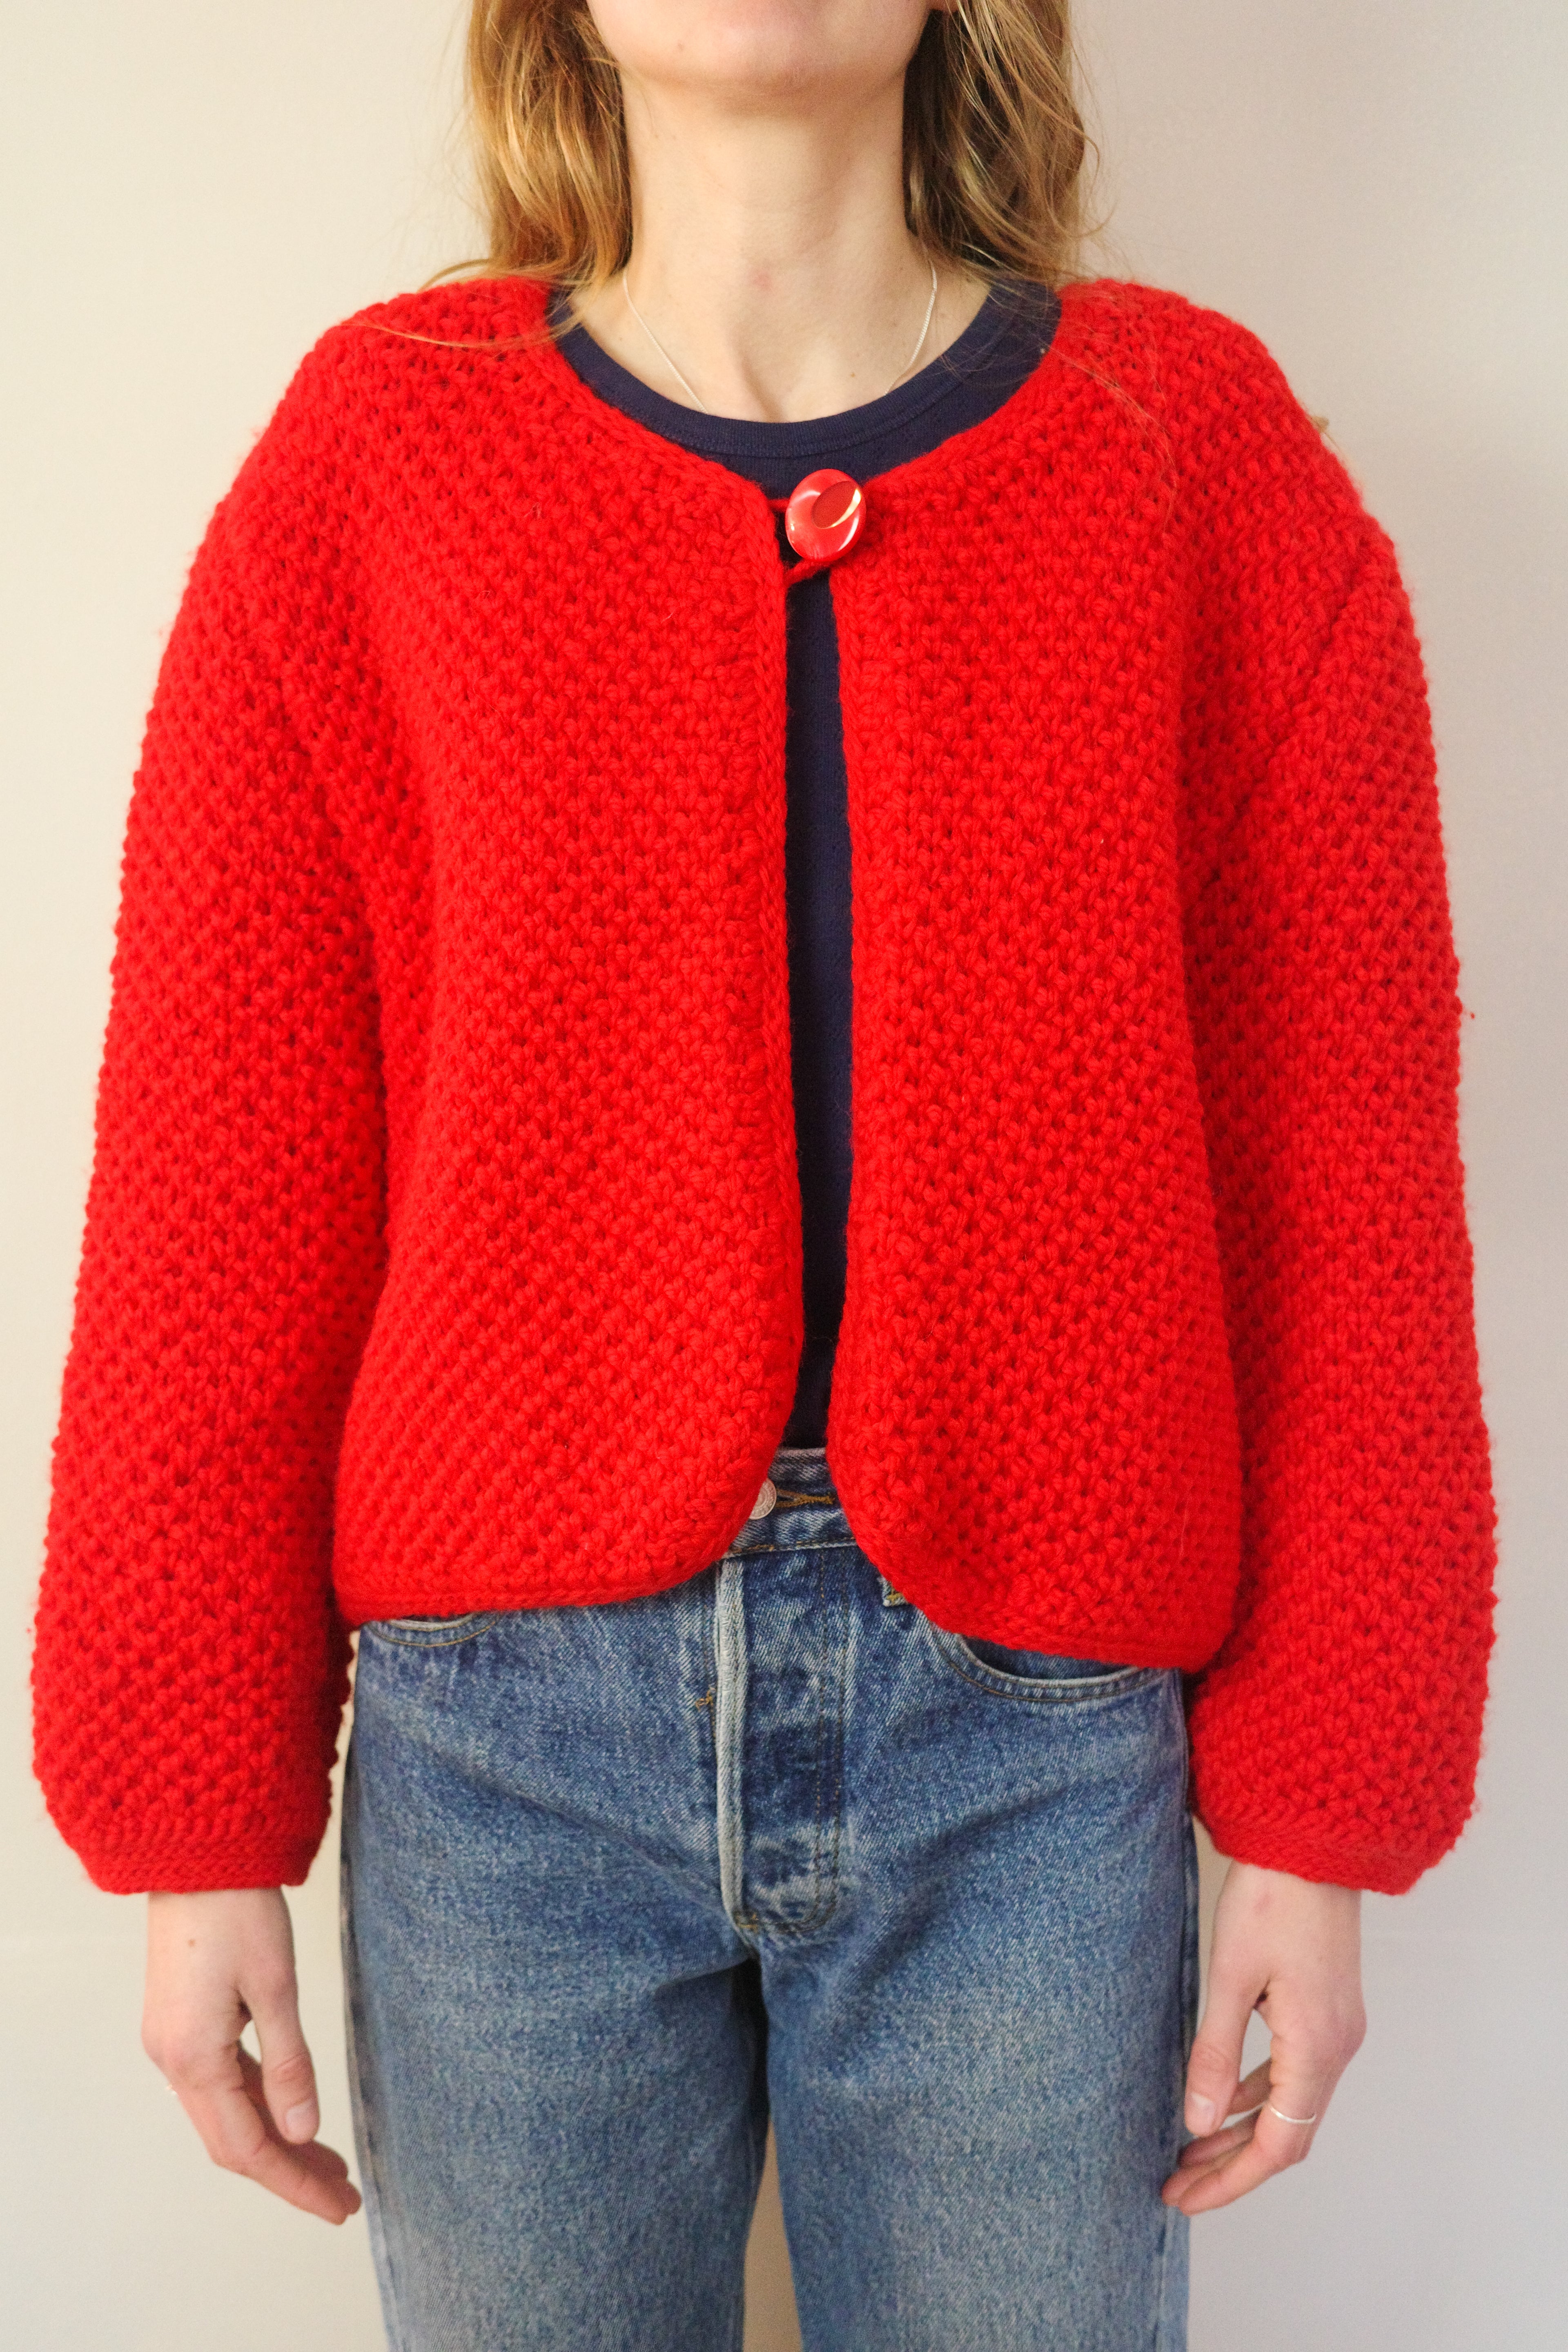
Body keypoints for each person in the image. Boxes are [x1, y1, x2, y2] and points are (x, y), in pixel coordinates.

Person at [31, 3, 1499, 2347]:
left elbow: (1345, 1176)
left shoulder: (1196, 455)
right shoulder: (380, 456)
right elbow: (222, 1164)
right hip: (502, 1751)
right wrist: (192, 1822)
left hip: (1041, 1748)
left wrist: (1324, 1809)